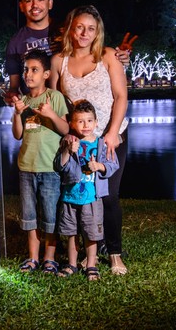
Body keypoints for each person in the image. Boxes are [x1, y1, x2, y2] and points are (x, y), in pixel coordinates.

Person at [49, 4, 130, 275]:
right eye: (80, 27)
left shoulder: (108, 56)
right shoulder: (59, 61)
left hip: (109, 137)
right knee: (83, 196)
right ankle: (88, 253)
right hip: (79, 141)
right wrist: (68, 135)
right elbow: (58, 104)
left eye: (91, 29)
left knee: (109, 196)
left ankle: (115, 254)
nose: (84, 33)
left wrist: (112, 132)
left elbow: (121, 96)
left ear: (98, 33)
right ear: (71, 28)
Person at [10, 48, 70, 274]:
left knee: (50, 214)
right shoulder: (23, 101)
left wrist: (51, 115)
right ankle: (32, 258)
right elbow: (17, 135)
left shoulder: (54, 98)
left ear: (46, 74)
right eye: (26, 70)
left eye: (34, 70)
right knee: (29, 215)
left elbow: (65, 129)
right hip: (26, 166)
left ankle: (49, 258)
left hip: (49, 167)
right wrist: (16, 114)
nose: (28, 74)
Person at [54, 99, 119, 281]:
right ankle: (72, 264)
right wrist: (67, 150)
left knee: (91, 233)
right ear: (72, 123)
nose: (85, 125)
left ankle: (91, 264)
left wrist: (99, 166)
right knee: (71, 232)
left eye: (89, 121)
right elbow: (59, 166)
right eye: (80, 121)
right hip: (70, 196)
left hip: (92, 197)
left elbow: (113, 165)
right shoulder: (68, 142)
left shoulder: (101, 144)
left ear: (96, 122)